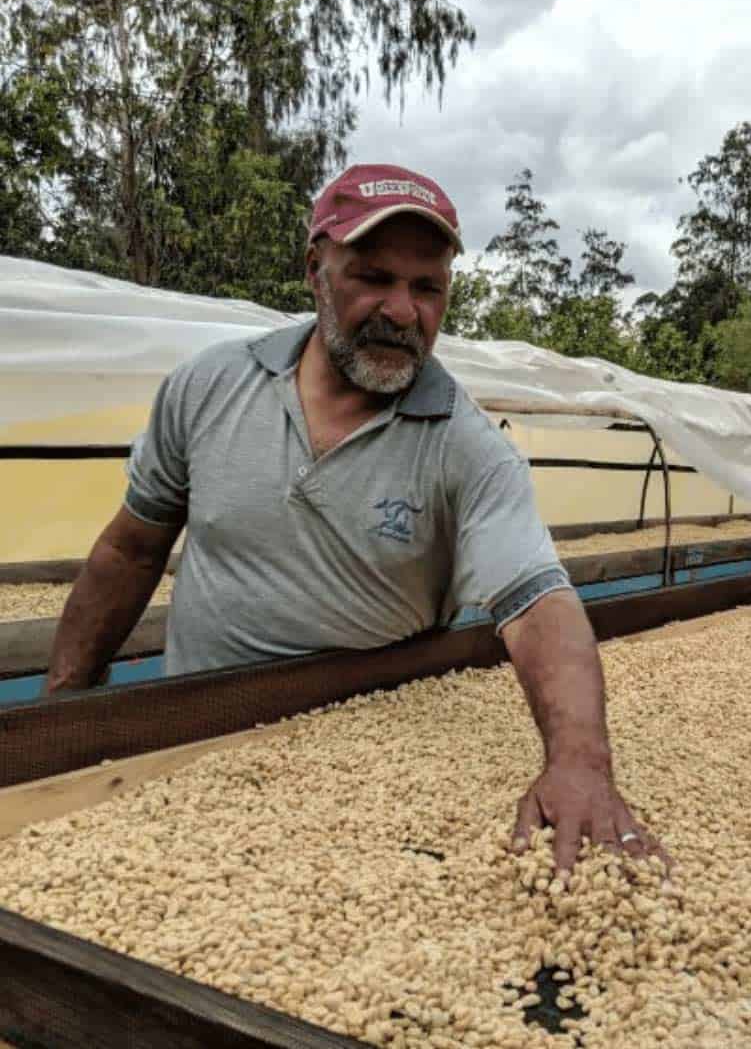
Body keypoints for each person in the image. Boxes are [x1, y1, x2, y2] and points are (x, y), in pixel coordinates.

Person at [45, 163, 669, 877]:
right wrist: (61, 712)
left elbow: (536, 604)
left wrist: (580, 766)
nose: (402, 312)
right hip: (194, 740)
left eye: (426, 288)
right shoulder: (208, 387)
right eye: (373, 277)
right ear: (315, 269)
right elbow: (130, 550)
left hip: (373, 756)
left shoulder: (467, 448)